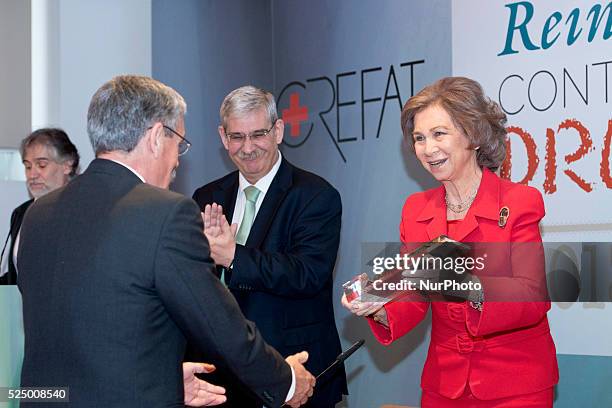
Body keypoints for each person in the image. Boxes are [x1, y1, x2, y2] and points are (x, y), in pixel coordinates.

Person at [17, 75, 315, 408]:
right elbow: (217, 324)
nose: (177, 161)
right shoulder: (164, 213)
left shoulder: (37, 215)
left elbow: (94, 328)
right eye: (179, 144)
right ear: (158, 137)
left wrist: (165, 379)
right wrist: (285, 381)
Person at [342, 77, 558, 407]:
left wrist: (468, 284)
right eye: (419, 138)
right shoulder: (416, 210)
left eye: (439, 134)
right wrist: (379, 307)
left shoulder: (520, 202)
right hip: (445, 385)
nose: (428, 149)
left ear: (472, 134)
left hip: (516, 382)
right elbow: (413, 293)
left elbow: (533, 296)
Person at [190, 85, 347, 407]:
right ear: (223, 137)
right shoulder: (205, 198)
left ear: (278, 131)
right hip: (221, 375)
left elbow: (308, 274)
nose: (247, 148)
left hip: (294, 371)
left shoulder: (316, 195)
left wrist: (232, 256)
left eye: (258, 134)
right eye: (236, 137)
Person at [0, 128, 79, 285]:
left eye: (41, 165)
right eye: (28, 166)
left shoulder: (81, 212)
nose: (32, 174)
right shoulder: (21, 213)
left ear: (67, 165)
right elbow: (17, 276)